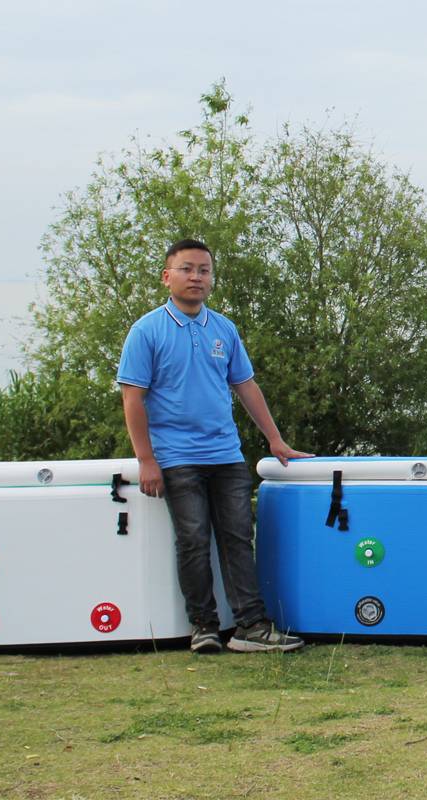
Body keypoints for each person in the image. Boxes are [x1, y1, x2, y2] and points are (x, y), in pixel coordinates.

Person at [118, 239, 312, 654]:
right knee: (193, 541)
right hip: (175, 457)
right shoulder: (147, 330)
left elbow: (245, 385)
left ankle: (251, 627)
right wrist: (146, 460)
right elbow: (132, 398)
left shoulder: (223, 328)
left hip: (226, 455)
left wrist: (275, 439)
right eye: (187, 269)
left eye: (204, 270)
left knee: (240, 537)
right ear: (167, 276)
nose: (196, 277)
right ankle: (203, 627)